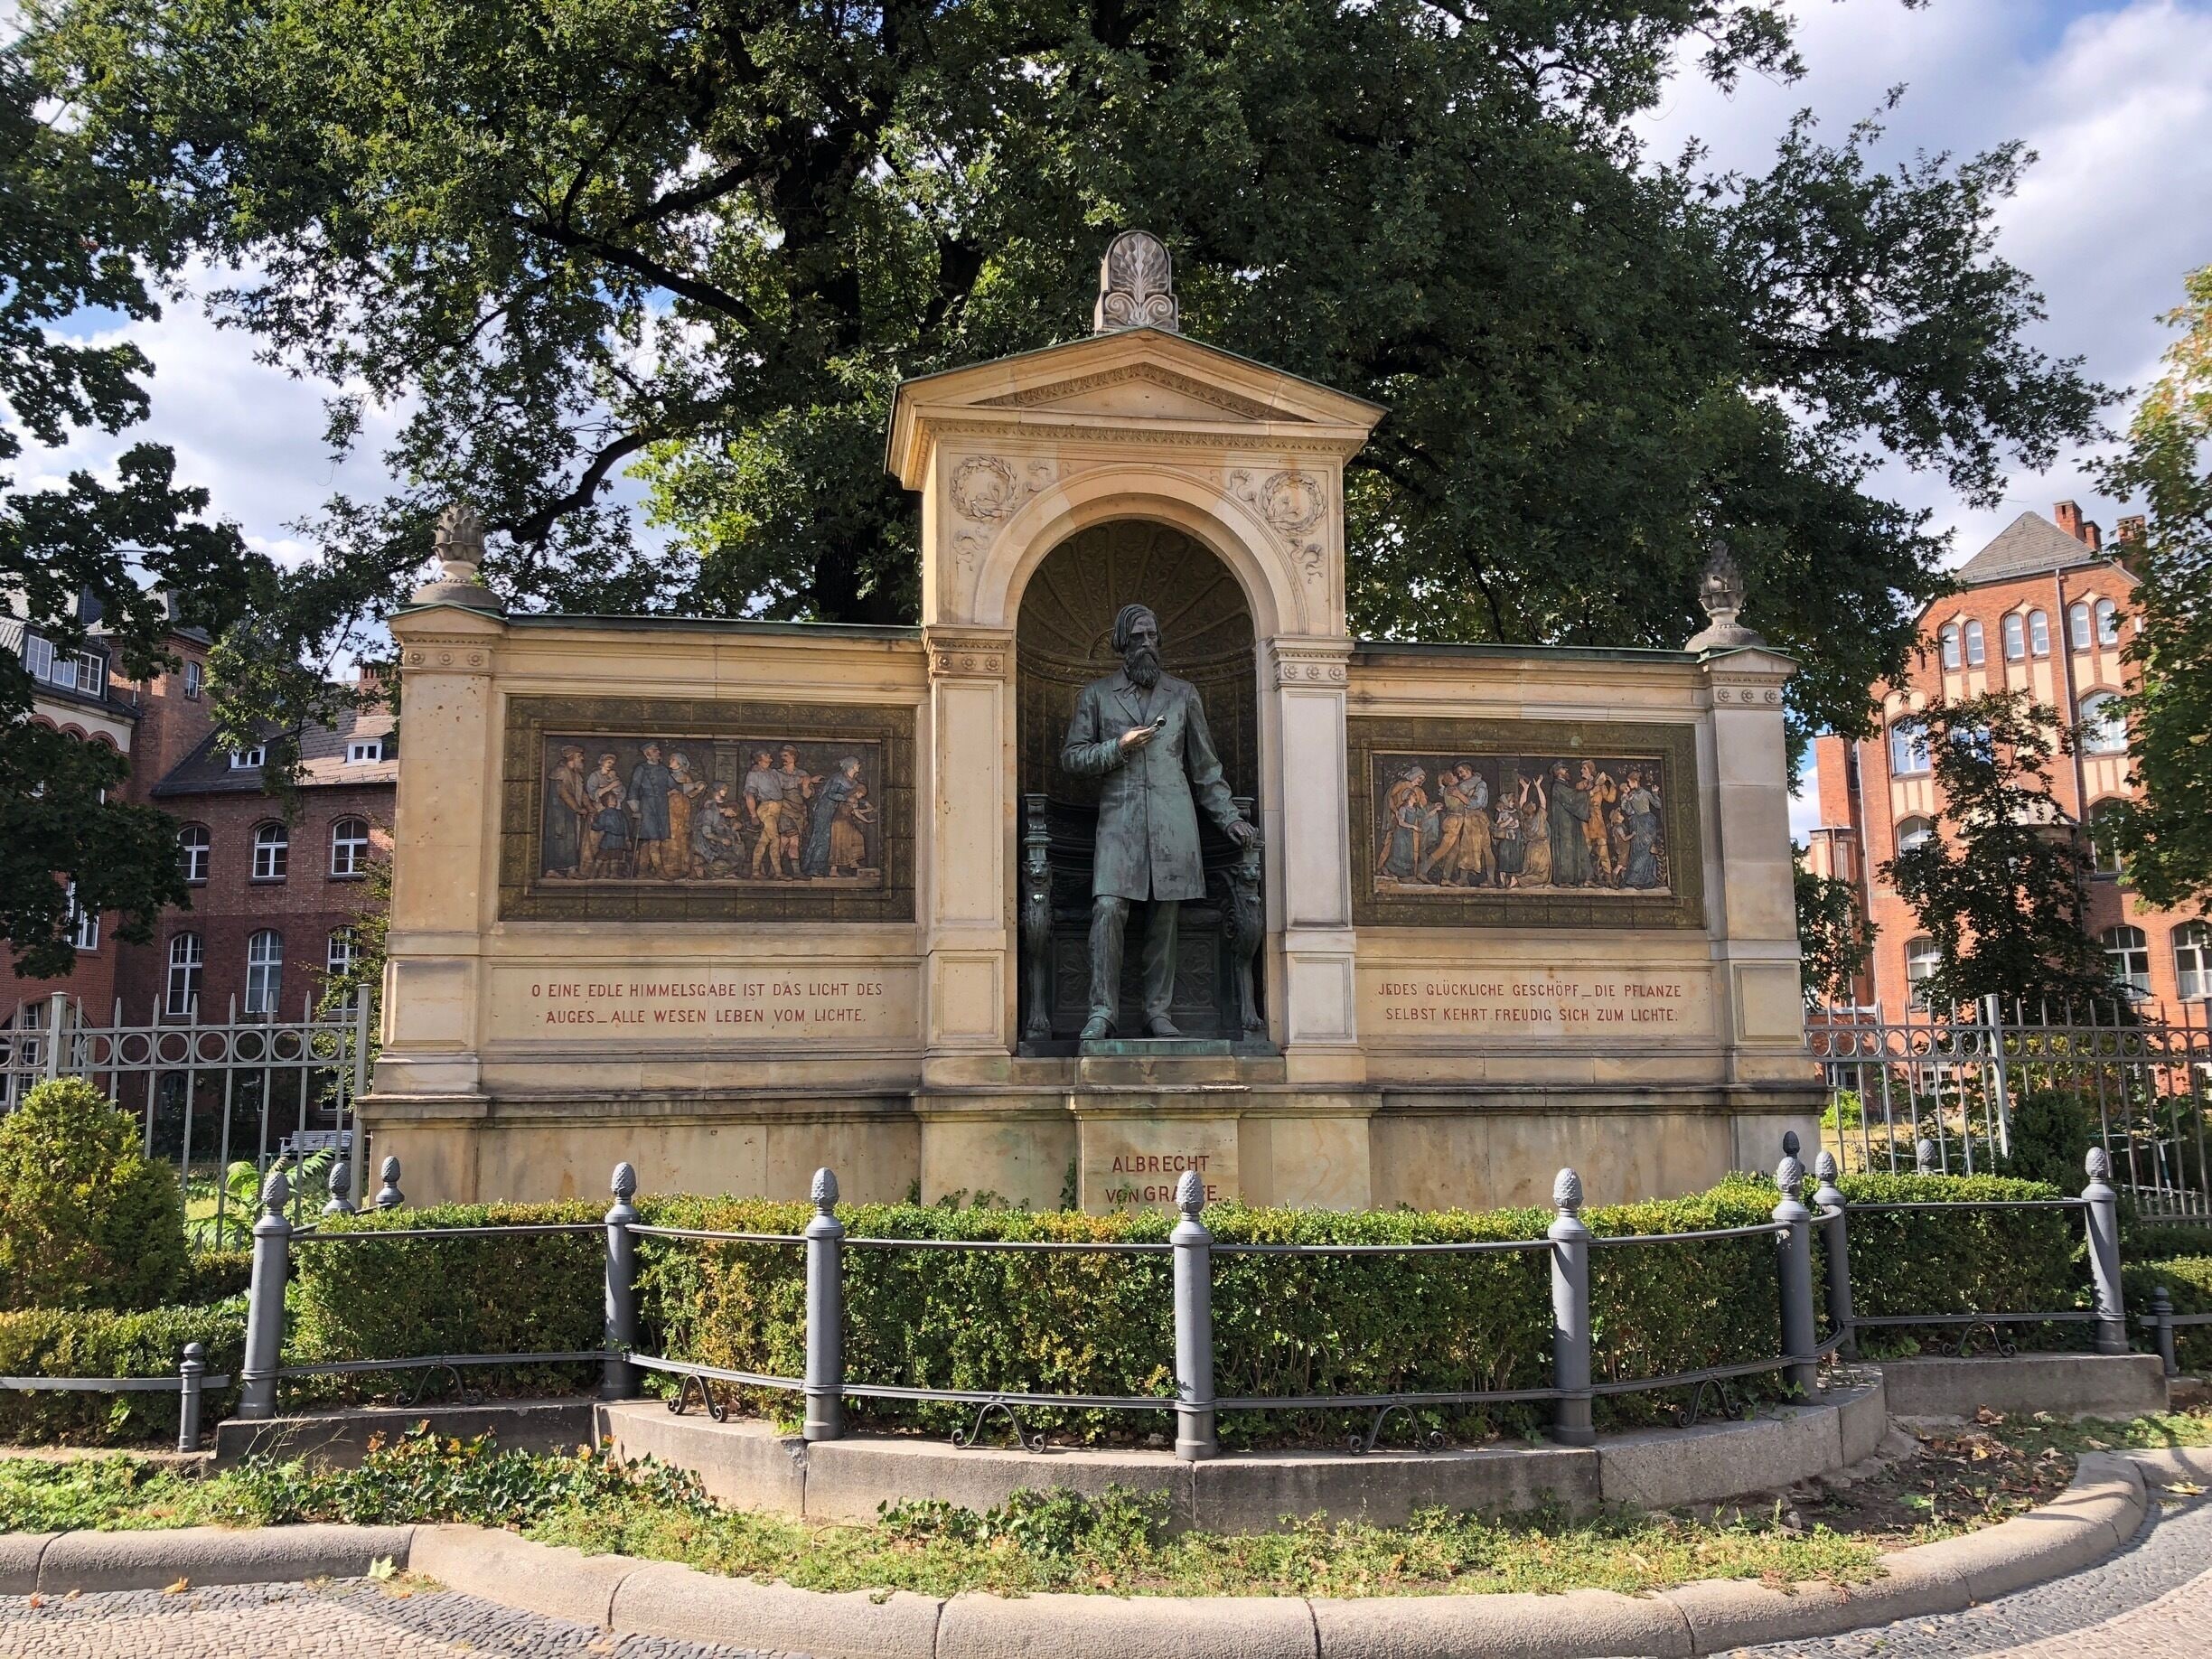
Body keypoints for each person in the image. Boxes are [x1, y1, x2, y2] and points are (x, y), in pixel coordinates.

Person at [1060, 602, 1256, 1041]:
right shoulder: (1096, 695)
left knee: (1165, 916)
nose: (1147, 644)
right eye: (1137, 638)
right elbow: (1072, 758)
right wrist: (1119, 746)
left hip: (1173, 820)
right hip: (1119, 820)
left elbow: (1206, 768)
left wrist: (1229, 819)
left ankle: (1158, 1013)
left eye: (1152, 636)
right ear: (1121, 645)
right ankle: (1101, 1011)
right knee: (1109, 908)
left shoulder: (1184, 694)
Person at [801, 755, 864, 877]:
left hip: (839, 811)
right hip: (827, 808)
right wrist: (846, 798)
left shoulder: (854, 782)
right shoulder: (838, 778)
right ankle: (813, 867)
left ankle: (832, 867)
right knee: (823, 837)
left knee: (834, 838)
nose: (859, 766)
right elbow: (830, 794)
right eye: (857, 763)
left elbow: (855, 796)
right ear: (851, 765)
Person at [627, 742, 676, 876]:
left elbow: (674, 785)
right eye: (655, 750)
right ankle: (660, 870)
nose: (658, 752)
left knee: (649, 841)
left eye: (658, 750)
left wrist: (694, 785)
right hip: (647, 806)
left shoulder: (664, 770)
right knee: (653, 839)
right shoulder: (641, 769)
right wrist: (635, 808)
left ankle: (642, 871)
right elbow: (634, 788)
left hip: (661, 806)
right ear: (647, 754)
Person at [1378, 765, 1429, 881]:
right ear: (1414, 775)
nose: (1421, 780)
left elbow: (1424, 806)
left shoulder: (1419, 791)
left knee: (1410, 848)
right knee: (1390, 844)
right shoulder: (1402, 785)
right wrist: (1396, 811)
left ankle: (1411, 873)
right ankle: (1381, 867)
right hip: (1398, 819)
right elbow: (1390, 797)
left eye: (1423, 779)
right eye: (1420, 777)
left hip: (1412, 822)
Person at [544, 745, 588, 876]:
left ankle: (571, 869)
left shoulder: (576, 775)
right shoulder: (560, 772)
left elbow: (583, 794)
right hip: (559, 814)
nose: (582, 759)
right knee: (558, 839)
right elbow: (564, 793)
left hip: (570, 813)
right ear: (571, 758)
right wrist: (578, 809)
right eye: (579, 756)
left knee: (570, 840)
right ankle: (552, 870)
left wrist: (590, 807)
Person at [742, 749, 787, 877]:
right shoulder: (754, 774)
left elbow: (789, 780)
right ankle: (778, 872)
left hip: (776, 809)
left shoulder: (773, 773)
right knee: (775, 839)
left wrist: (808, 779)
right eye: (765, 754)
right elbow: (749, 794)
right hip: (766, 809)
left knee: (763, 841)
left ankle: (755, 871)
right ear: (759, 759)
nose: (769, 755)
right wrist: (753, 815)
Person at [1547, 761, 1592, 886]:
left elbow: (1573, 797)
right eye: (1564, 769)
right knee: (1565, 850)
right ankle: (1564, 879)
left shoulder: (1564, 786)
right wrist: (1586, 792)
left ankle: (1581, 878)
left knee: (1576, 848)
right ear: (1558, 773)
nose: (1567, 771)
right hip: (1563, 826)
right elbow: (1572, 798)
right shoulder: (1558, 787)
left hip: (1570, 823)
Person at [586, 752, 630, 876]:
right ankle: (593, 872)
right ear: (602, 762)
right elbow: (593, 794)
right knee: (598, 846)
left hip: (615, 812)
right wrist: (610, 787)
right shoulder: (595, 776)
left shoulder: (614, 777)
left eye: (612, 763)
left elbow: (621, 794)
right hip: (600, 810)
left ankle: (610, 873)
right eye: (608, 762)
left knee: (615, 854)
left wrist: (615, 789)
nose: (611, 765)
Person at [1620, 766, 1664, 890]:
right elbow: (1628, 811)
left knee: (1646, 851)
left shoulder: (1646, 793)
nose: (1628, 784)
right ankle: (1635, 879)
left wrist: (1655, 793)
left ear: (1635, 781)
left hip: (1647, 824)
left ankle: (1647, 879)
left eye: (1629, 781)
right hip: (1637, 824)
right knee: (1636, 852)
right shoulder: (1631, 795)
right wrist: (1626, 799)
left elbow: (1658, 804)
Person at [665, 752, 705, 879]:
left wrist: (699, 789)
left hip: (682, 808)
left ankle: (683, 866)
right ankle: (669, 867)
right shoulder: (666, 776)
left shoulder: (685, 777)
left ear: (680, 763)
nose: (670, 761)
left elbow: (690, 794)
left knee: (682, 836)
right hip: (669, 807)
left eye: (673, 759)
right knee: (670, 837)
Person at [1518, 773, 1552, 886]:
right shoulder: (1540, 818)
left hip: (1529, 848)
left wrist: (1525, 789)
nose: (1533, 803)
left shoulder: (1524, 819)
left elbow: (1521, 804)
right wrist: (1538, 786)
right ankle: (1517, 881)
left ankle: (1517, 879)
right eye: (1532, 804)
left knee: (1528, 871)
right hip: (1540, 849)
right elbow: (1543, 802)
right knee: (1542, 875)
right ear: (1532, 809)